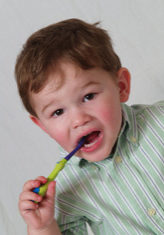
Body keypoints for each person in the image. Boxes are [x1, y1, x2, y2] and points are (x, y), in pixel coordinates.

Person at [16, 18, 164, 235]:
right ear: (42, 126)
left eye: (88, 96)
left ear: (120, 87)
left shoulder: (159, 121)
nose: (78, 120)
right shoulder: (66, 190)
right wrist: (44, 227)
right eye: (58, 112)